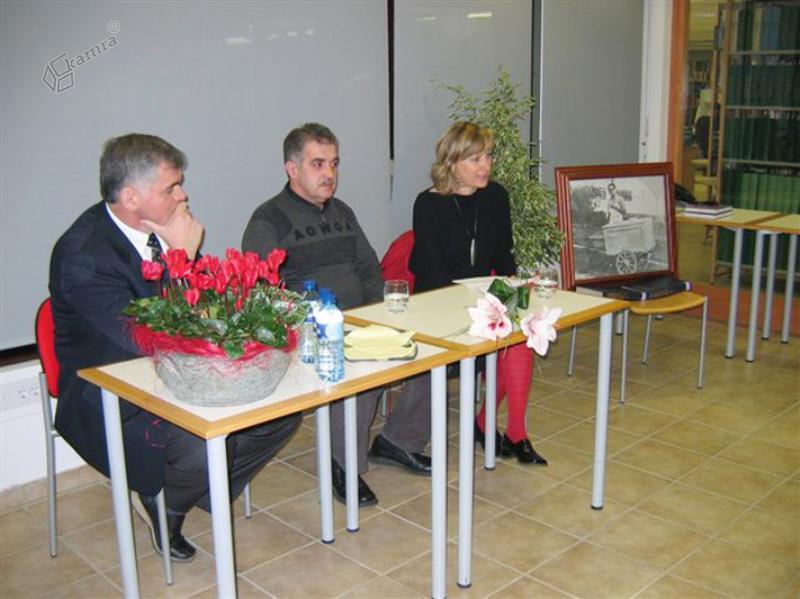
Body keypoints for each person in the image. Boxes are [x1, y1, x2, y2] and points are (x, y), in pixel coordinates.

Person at [50, 134, 301, 563]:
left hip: (175, 374)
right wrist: (182, 258)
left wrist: (182, 258)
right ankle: (165, 499)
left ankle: (179, 495)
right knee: (202, 440)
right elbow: (148, 336)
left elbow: (210, 313)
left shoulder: (160, 230)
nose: (183, 195)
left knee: (279, 415)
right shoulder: (82, 254)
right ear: (131, 197)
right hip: (110, 394)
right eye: (171, 187)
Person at [242, 123, 432, 507]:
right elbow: (262, 293)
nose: (329, 173)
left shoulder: (342, 212)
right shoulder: (269, 220)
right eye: (318, 163)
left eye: (334, 163)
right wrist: (322, 325)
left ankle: (399, 441)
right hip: (310, 332)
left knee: (427, 352)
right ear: (292, 168)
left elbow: (369, 269)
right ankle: (343, 464)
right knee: (359, 365)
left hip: (359, 318)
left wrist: (378, 318)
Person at [409, 121, 547, 465]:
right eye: (475, 159)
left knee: (523, 331)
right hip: (438, 305)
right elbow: (431, 273)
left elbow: (504, 259)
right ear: (452, 163)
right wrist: (479, 304)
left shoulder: (496, 197)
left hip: (484, 301)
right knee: (504, 332)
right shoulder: (428, 204)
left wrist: (517, 289)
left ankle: (515, 433)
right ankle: (486, 424)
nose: (486, 166)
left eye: (488, 156)